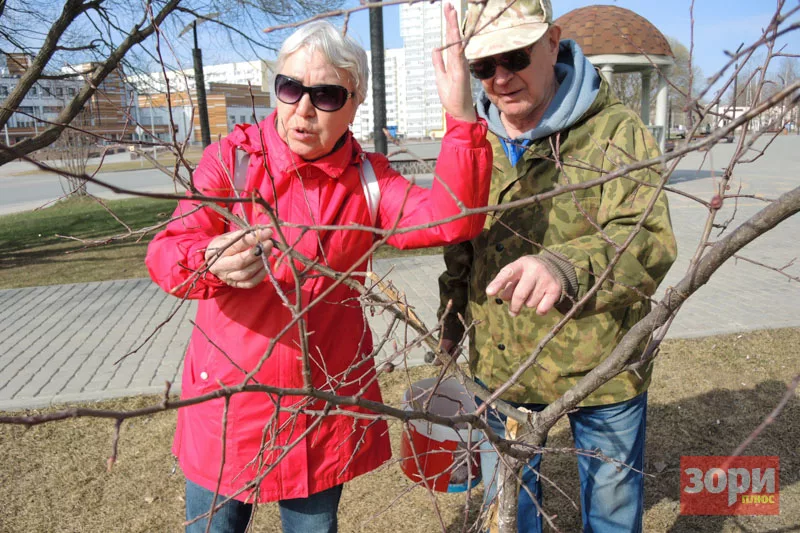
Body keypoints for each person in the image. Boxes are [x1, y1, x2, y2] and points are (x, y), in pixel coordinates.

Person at [146, 7, 490, 533]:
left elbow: (453, 218)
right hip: (228, 407)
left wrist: (461, 117)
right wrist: (209, 260)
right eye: (290, 88)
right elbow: (169, 251)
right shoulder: (233, 162)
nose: (304, 108)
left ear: (353, 106)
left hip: (320, 410)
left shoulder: (369, 182)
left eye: (326, 95)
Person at [437, 0, 678, 531]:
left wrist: (565, 267)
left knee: (611, 507)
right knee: (513, 504)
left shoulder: (617, 133)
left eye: (516, 57)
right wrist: (452, 318)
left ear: (552, 43)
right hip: (503, 369)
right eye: (483, 67)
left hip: (602, 370)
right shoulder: (473, 141)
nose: (500, 79)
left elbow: (651, 243)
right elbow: (460, 238)